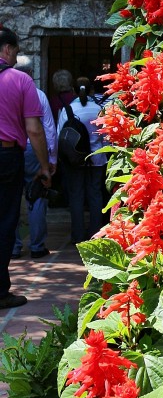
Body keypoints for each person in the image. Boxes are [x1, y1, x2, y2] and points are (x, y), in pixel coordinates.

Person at [0, 26, 52, 310]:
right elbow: (35, 130)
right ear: (7, 49)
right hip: (6, 156)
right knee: (6, 220)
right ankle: (0, 290)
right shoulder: (20, 80)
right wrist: (45, 166)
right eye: (16, 51)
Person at [12, 56, 58, 260]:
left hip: (11, 148)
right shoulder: (38, 95)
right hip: (33, 149)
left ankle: (13, 246)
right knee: (37, 196)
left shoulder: (7, 92)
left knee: (10, 198)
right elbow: (49, 129)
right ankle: (37, 246)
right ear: (31, 73)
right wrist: (52, 159)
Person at [56, 76, 107, 244]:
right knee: (95, 195)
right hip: (97, 159)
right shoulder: (99, 109)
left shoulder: (68, 110)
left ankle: (77, 235)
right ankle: (95, 234)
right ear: (91, 89)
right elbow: (107, 137)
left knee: (76, 196)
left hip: (75, 160)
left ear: (74, 91)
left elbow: (60, 137)